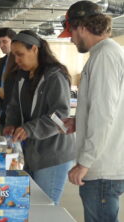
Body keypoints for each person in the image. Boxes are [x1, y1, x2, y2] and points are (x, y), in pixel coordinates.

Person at [60, 1, 124, 221]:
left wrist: (85, 162)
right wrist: (80, 121)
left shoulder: (105, 56)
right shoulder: (106, 53)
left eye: (71, 32)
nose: (71, 39)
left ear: (82, 27)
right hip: (103, 163)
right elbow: (108, 108)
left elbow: (103, 113)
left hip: (101, 168)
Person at [4, 30, 76, 205]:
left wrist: (29, 129)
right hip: (31, 152)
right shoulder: (22, 77)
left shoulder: (54, 76)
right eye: (14, 55)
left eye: (20, 54)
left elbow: (60, 114)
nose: (17, 60)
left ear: (34, 49)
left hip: (52, 154)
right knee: (30, 206)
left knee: (44, 208)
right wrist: (11, 124)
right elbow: (14, 106)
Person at [0, 53, 19, 134]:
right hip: (10, 120)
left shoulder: (12, 77)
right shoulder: (22, 76)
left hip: (10, 122)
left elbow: (8, 105)